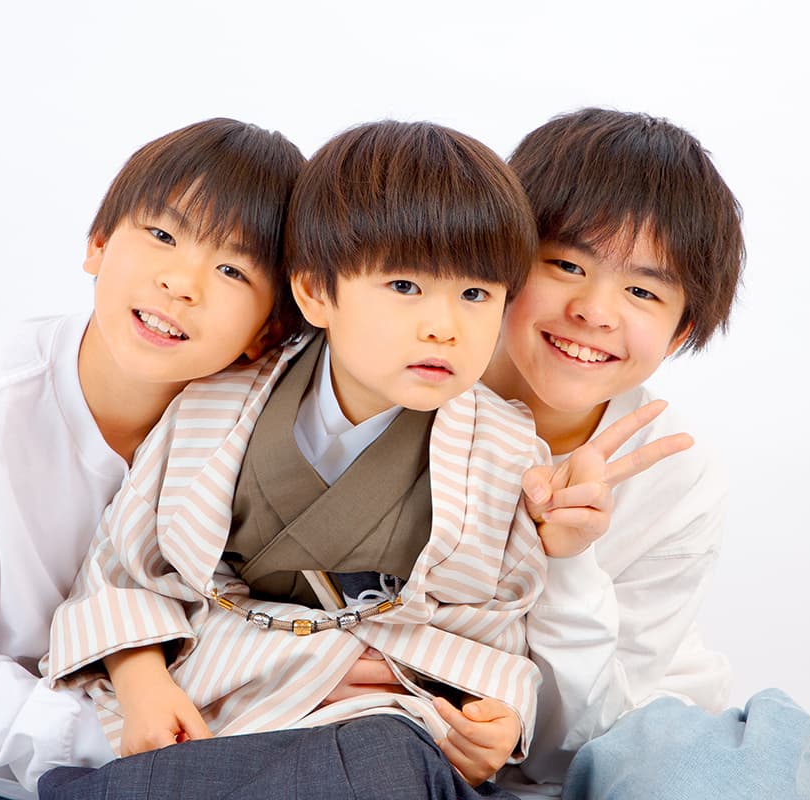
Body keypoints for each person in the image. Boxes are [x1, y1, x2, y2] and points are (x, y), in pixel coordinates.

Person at [40, 120, 573, 800]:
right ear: (316, 292)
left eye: (475, 295)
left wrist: (491, 719)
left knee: (385, 763)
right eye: (404, 286)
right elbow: (123, 565)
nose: (444, 327)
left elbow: (496, 626)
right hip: (213, 704)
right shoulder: (215, 404)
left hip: (377, 718)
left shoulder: (503, 449)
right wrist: (140, 680)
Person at [0, 118, 306, 800]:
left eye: (232, 269)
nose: (181, 283)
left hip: (139, 757)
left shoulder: (253, 429)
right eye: (162, 235)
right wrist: (122, 730)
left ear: (269, 329)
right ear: (98, 244)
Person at [481, 108, 810, 798]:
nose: (594, 310)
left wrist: (570, 560)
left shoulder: (680, 475)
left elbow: (571, 748)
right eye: (565, 264)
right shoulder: (416, 385)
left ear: (680, 333)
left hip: (622, 737)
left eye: (642, 291)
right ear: (499, 257)